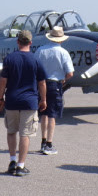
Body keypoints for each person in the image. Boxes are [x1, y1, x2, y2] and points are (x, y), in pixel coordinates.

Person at [0, 30, 47, 177]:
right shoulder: (36, 60)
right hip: (29, 101)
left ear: (18, 42)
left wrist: (0, 98)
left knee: (11, 131)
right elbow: (42, 83)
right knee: (25, 134)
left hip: (12, 100)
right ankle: (20, 165)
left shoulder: (9, 59)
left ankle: (12, 160)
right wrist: (43, 99)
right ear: (31, 43)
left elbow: (3, 82)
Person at [35, 26, 74, 155]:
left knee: (44, 113)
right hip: (55, 85)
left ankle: (43, 141)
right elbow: (70, 73)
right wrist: (63, 80)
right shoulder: (63, 53)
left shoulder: (40, 50)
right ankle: (49, 144)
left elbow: (35, 67)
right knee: (52, 115)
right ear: (61, 39)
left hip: (41, 84)